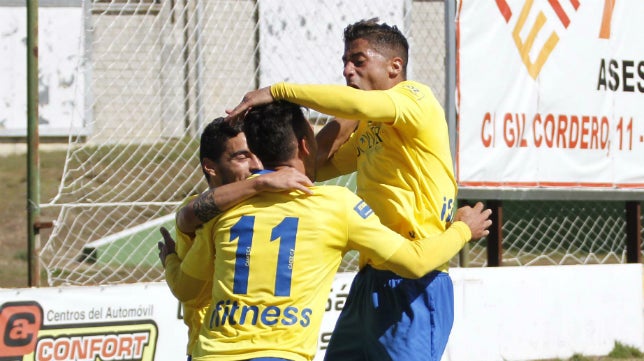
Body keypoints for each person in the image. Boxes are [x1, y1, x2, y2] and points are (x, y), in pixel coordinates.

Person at [159, 101, 491, 361]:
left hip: (210, 354)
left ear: (257, 156)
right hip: (279, 356)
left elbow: (187, 287)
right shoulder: (336, 206)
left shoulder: (226, 205)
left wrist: (171, 259)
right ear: (305, 145)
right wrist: (462, 229)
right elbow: (416, 263)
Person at [226, 18, 467, 361]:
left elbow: (359, 106)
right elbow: (314, 165)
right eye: (344, 62)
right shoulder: (371, 127)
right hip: (371, 277)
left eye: (358, 61)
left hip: (416, 275)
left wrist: (279, 91)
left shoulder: (416, 99)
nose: (347, 71)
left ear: (395, 67)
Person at [158, 117, 312, 360]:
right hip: (211, 348)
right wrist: (260, 184)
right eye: (242, 157)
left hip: (271, 347)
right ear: (210, 167)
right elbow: (188, 290)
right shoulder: (202, 213)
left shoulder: (273, 198)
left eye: (257, 154)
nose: (256, 165)